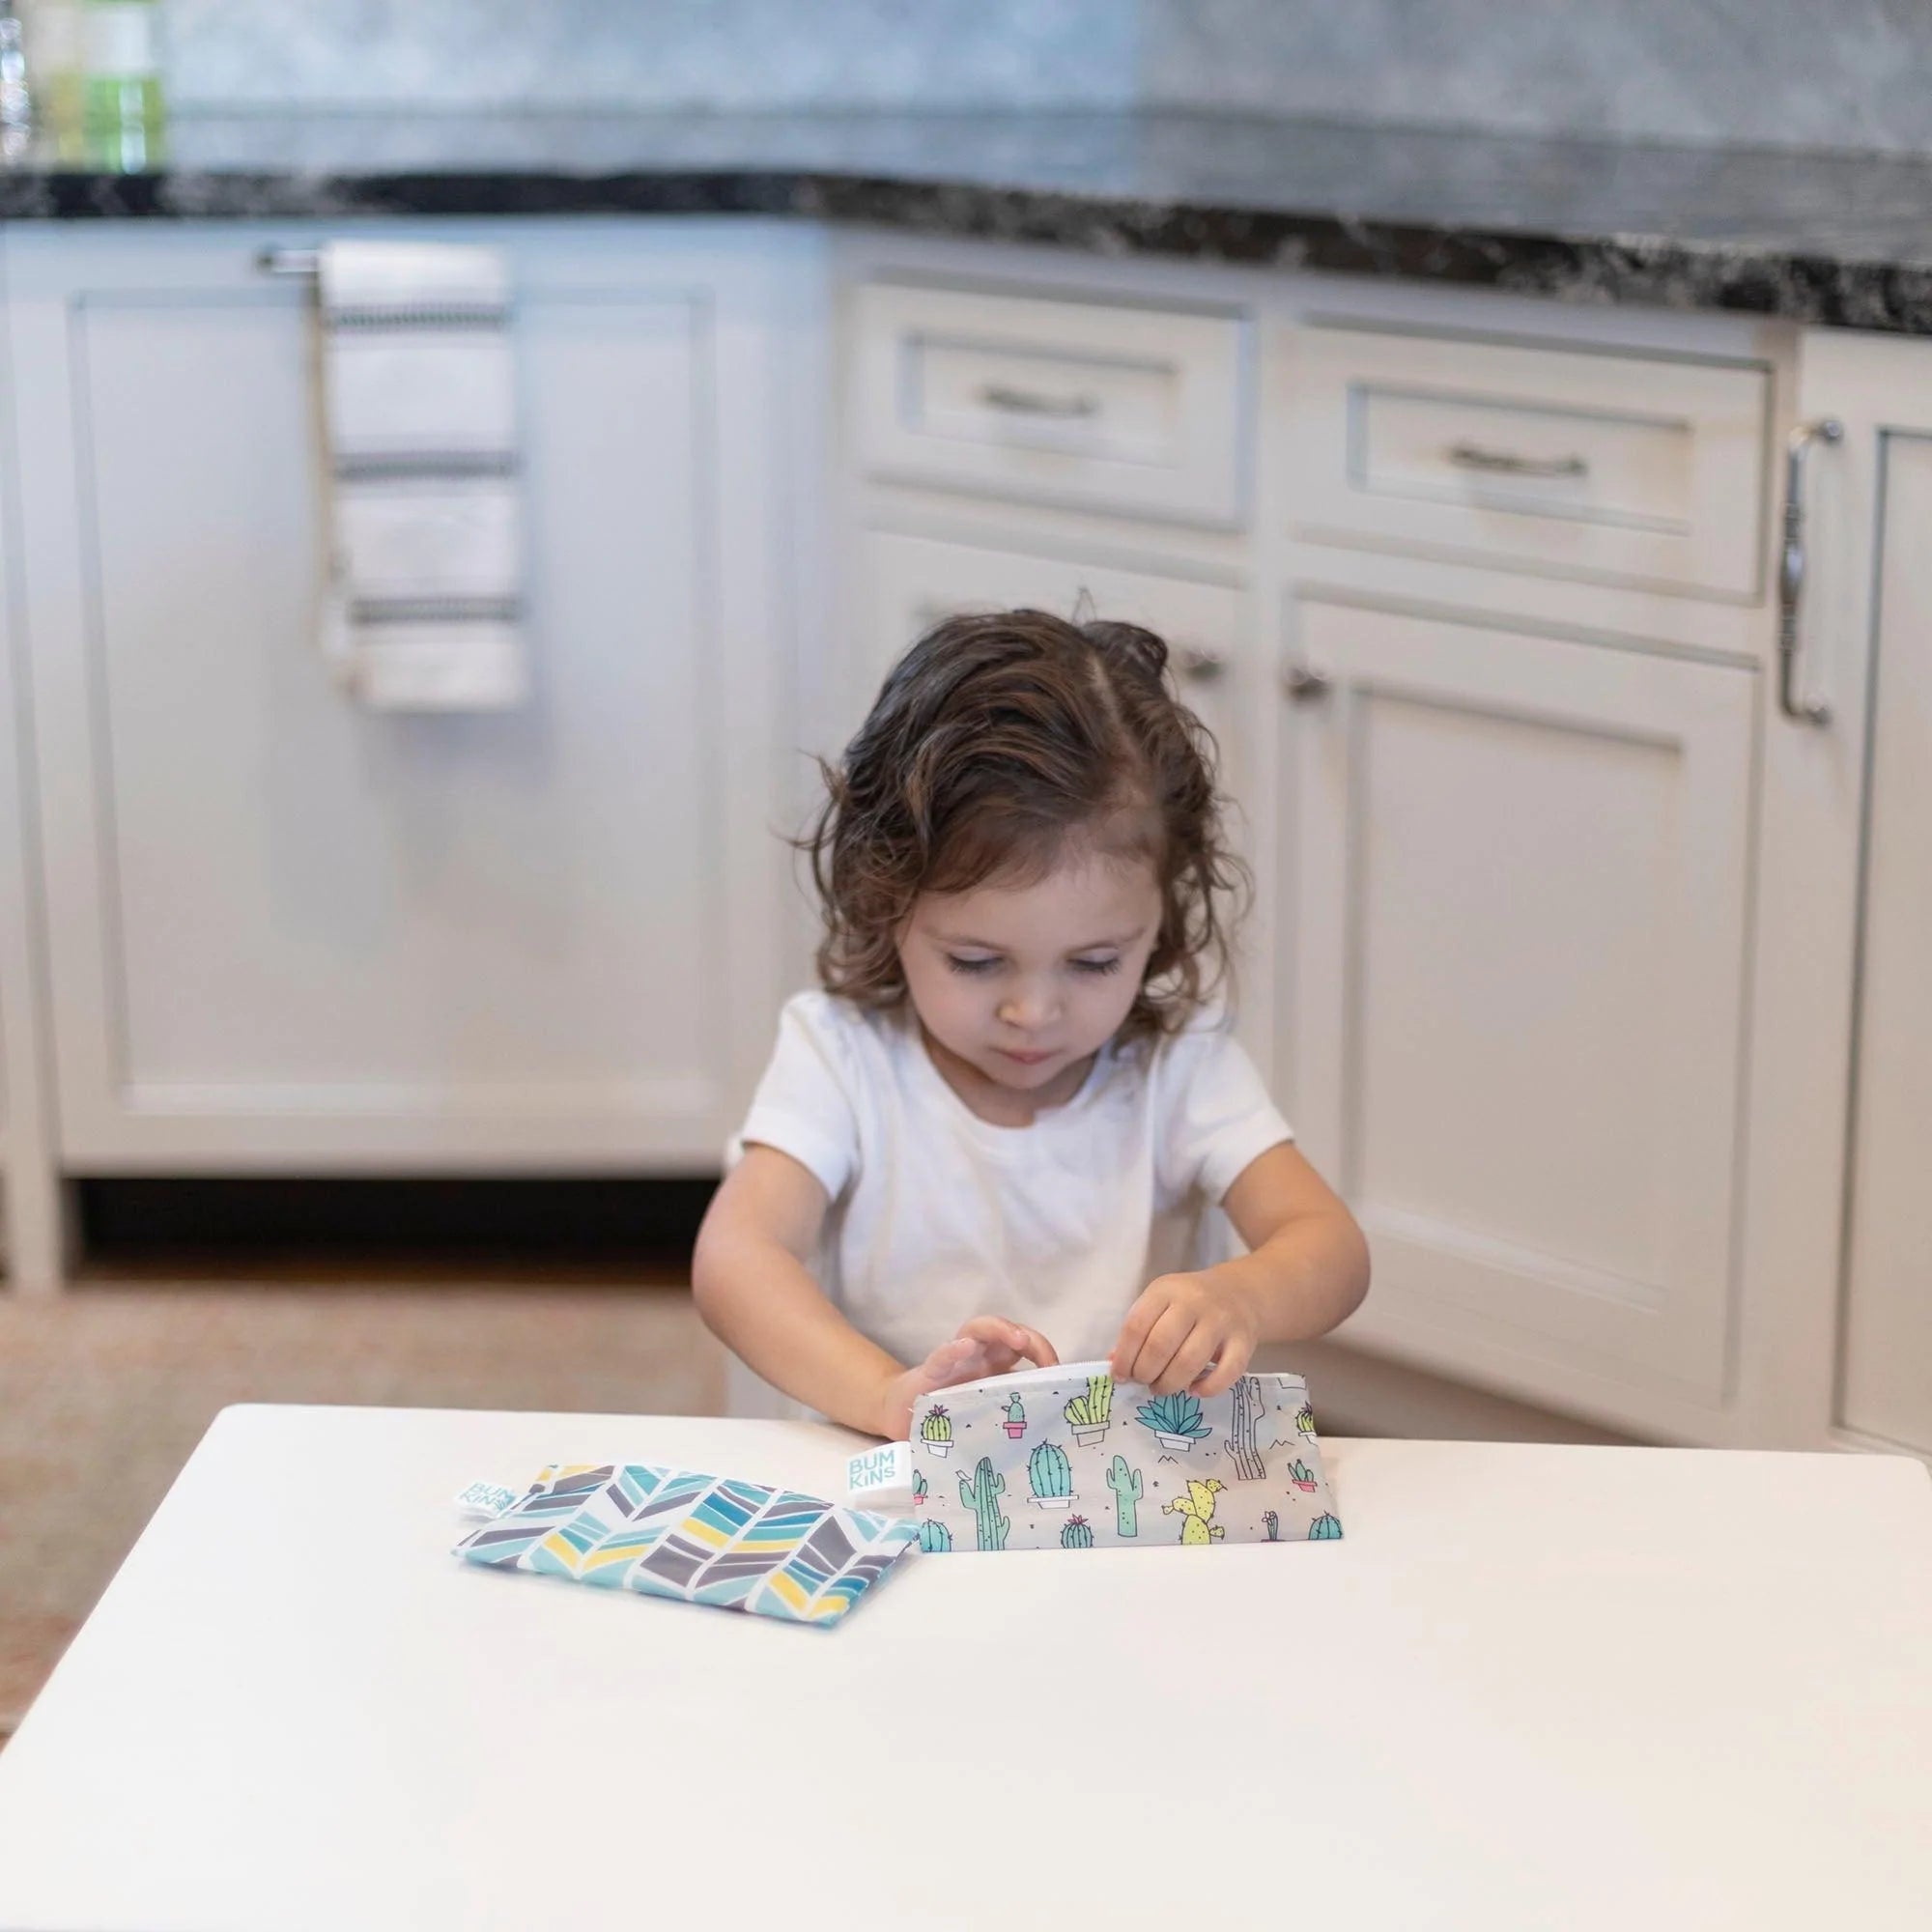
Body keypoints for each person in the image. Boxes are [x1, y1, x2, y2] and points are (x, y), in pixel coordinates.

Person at [693, 608, 1369, 1438]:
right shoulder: (842, 1055)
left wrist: (1241, 1294)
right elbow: (735, 1258)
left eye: (1094, 964)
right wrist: (882, 1396)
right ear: (886, 900)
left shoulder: (1179, 1064)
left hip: (1118, 1490)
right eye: (976, 962)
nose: (1033, 1012)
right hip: (885, 1477)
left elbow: (1331, 1247)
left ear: (1162, 916)